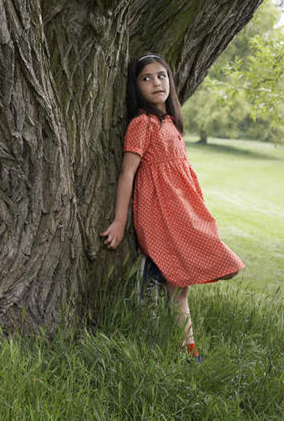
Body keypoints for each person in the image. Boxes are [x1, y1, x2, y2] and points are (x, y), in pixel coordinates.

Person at [100, 54, 243, 363]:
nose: (156, 83)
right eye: (147, 78)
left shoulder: (170, 122)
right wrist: (120, 220)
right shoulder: (143, 124)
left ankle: (188, 351)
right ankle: (151, 281)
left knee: (181, 290)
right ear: (135, 87)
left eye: (162, 76)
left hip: (184, 209)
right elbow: (128, 173)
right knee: (208, 271)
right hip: (161, 212)